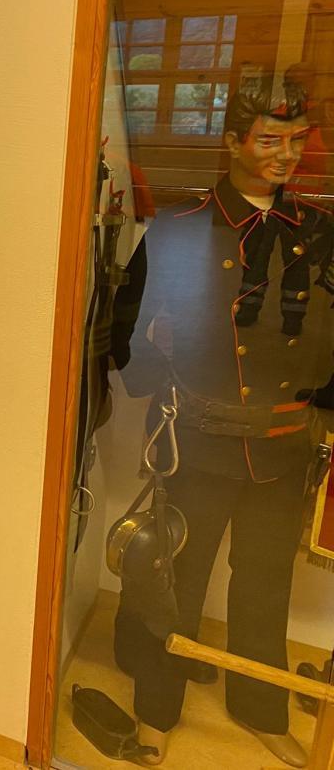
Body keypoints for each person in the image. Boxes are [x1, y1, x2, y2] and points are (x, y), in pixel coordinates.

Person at [113, 79, 330, 768]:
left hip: (284, 445)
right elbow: (129, 327)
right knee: (173, 579)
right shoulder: (183, 227)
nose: (286, 154)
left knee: (265, 583)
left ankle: (260, 709)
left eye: (296, 140)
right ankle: (156, 712)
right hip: (199, 442)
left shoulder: (321, 231)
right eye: (269, 139)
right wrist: (162, 384)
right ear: (234, 142)